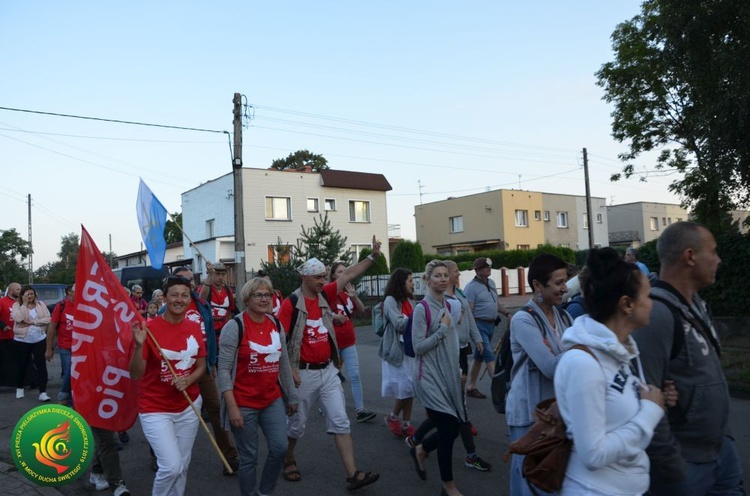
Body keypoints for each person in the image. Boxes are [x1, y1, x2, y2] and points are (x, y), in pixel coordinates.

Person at [632, 221, 745, 495]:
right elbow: (644, 394)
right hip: (684, 463)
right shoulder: (656, 314)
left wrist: (725, 438)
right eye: (713, 251)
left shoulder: (697, 306)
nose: (718, 260)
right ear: (690, 256)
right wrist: (670, 465)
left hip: (720, 451)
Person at [554, 248, 666, 495]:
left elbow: (616, 411)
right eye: (647, 295)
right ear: (627, 304)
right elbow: (593, 454)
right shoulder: (582, 363)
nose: (652, 303)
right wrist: (650, 411)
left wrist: (653, 398)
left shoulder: (619, 352)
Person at [278, 235, 381, 491]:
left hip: (328, 371)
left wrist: (372, 256)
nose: (324, 281)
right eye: (319, 278)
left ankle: (352, 474)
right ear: (305, 278)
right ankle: (288, 457)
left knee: (340, 421)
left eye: (325, 277)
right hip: (302, 373)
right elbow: (278, 340)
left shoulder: (326, 294)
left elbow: (349, 275)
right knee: (296, 425)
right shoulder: (290, 304)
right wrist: (289, 369)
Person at [218, 277, 299, 496]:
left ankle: (264, 492)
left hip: (271, 399)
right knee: (248, 459)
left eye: (267, 295)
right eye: (258, 295)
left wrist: (292, 395)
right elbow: (224, 370)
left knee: (280, 448)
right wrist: (232, 407)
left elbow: (283, 363)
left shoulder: (276, 324)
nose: (264, 299)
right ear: (247, 298)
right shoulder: (234, 327)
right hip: (243, 403)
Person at [130, 275, 207, 496]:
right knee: (171, 466)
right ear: (164, 298)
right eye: (174, 295)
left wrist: (188, 380)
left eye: (184, 295)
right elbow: (135, 374)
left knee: (182, 466)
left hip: (189, 405)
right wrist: (138, 347)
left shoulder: (194, 327)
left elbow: (201, 366)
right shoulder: (149, 328)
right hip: (155, 408)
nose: (179, 300)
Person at [506, 254, 571, 496]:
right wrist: (577, 347)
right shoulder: (524, 319)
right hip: (528, 413)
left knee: (548, 476)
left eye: (565, 281)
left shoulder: (564, 316)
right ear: (537, 286)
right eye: (558, 283)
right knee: (528, 479)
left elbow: (566, 359)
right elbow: (551, 368)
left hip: (553, 413)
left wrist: (565, 351)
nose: (564, 288)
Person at [170, 265, 239, 475]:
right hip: (176, 369)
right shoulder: (167, 308)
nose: (187, 284)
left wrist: (211, 362)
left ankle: (229, 455)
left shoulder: (201, 305)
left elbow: (208, 333)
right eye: (182, 280)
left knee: (215, 408)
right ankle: (162, 456)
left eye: (190, 280)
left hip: (202, 367)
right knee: (171, 413)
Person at [408, 260, 465, 496]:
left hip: (447, 375)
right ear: (427, 280)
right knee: (450, 427)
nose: (443, 279)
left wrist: (458, 371)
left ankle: (421, 449)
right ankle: (448, 486)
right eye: (437, 276)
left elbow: (453, 345)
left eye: (445, 275)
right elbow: (418, 347)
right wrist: (441, 330)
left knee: (451, 428)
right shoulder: (422, 309)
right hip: (428, 377)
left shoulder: (450, 306)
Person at [328, 260, 376, 423]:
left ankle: (360, 410)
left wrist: (354, 297)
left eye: (345, 271)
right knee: (331, 378)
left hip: (349, 340)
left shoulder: (349, 291)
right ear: (334, 275)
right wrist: (334, 316)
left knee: (355, 376)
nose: (344, 274)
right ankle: (333, 409)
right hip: (331, 342)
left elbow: (362, 311)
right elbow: (319, 313)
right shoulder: (328, 292)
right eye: (340, 272)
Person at [463, 257, 511, 399]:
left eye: (489, 267)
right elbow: (469, 311)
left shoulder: (491, 283)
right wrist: (473, 331)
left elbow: (495, 303)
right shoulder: (471, 287)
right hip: (479, 326)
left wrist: (507, 313)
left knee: (479, 357)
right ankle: (502, 390)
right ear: (477, 270)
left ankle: (471, 387)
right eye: (485, 267)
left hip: (490, 325)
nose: (489, 269)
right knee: (489, 354)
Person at [379, 268, 418, 438]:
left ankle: (406, 424)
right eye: (410, 280)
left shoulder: (410, 300)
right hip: (397, 350)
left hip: (410, 350)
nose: (413, 283)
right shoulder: (390, 300)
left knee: (410, 389)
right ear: (401, 282)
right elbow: (399, 323)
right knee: (406, 387)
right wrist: (418, 321)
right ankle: (393, 417)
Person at [11, 285, 51, 401]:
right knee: (22, 365)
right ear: (22, 295)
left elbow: (48, 318)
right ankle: (19, 388)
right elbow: (18, 318)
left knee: (41, 365)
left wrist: (33, 322)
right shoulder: (17, 305)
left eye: (32, 294)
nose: (30, 296)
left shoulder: (41, 304)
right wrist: (24, 304)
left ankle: (43, 392)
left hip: (39, 339)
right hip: (22, 340)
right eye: (27, 294)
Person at [45, 284, 75, 405]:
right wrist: (49, 349)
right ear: (70, 293)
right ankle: (65, 397)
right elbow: (52, 328)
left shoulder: (86, 307)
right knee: (69, 371)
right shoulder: (61, 306)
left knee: (75, 374)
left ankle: (69, 398)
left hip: (82, 348)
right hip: (65, 347)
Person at [200, 262, 237, 341]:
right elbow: (201, 300)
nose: (220, 277)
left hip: (224, 332)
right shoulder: (205, 289)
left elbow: (230, 311)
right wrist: (209, 276)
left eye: (223, 274)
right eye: (217, 274)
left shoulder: (228, 290)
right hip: (209, 332)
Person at [0, 282, 21, 387]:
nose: (20, 291)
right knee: (5, 363)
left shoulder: (20, 303)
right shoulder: (2, 302)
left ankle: (31, 381)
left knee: (23, 360)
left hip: (19, 336)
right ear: (11, 291)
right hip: (4, 337)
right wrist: (3, 326)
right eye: (17, 289)